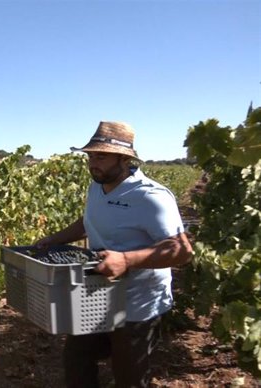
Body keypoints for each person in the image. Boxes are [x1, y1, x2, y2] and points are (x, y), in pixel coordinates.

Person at [35, 121, 193, 388]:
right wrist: (53, 240)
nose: (93, 163)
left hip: (137, 302)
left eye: (101, 156)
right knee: (77, 359)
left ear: (123, 159)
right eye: (91, 156)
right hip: (96, 294)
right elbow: (88, 221)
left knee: (129, 375)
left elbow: (181, 250)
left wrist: (126, 260)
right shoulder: (96, 187)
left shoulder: (150, 196)